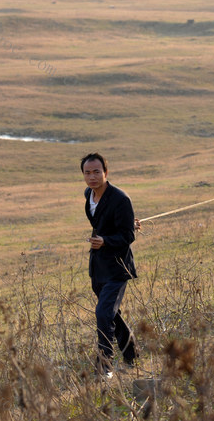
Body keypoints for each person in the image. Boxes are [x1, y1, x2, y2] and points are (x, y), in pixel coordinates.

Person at [81, 152, 138, 377]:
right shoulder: (89, 194)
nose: (92, 177)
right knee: (111, 313)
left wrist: (105, 240)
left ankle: (104, 366)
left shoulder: (121, 199)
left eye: (97, 172)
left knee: (103, 313)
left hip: (117, 267)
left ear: (106, 172)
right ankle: (131, 352)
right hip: (98, 268)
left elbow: (128, 236)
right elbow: (108, 222)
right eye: (87, 173)